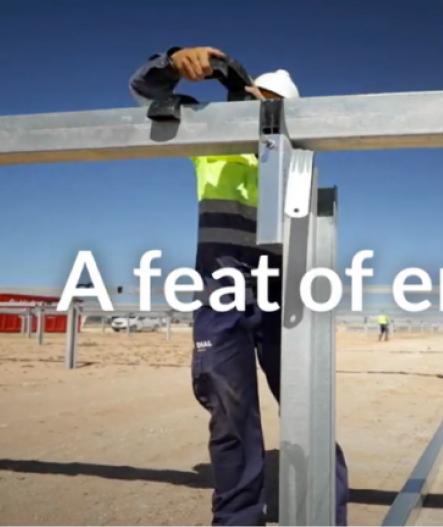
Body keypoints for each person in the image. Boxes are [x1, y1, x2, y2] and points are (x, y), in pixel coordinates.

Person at [129, 46, 349, 526]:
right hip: (220, 288)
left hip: (282, 293)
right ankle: (238, 520)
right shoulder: (213, 135)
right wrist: (173, 61)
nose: (260, 111)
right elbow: (147, 90)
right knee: (229, 414)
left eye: (272, 105)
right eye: (257, 98)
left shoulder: (299, 156)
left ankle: (325, 517)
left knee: (307, 409)